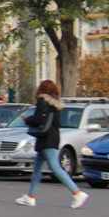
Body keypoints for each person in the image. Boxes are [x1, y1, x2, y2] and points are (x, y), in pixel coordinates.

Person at [16, 80, 88, 209]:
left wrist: (27, 119)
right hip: (53, 137)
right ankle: (30, 197)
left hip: (46, 138)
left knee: (55, 167)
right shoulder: (56, 104)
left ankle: (77, 193)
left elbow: (38, 120)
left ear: (41, 89)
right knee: (37, 168)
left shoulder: (42, 100)